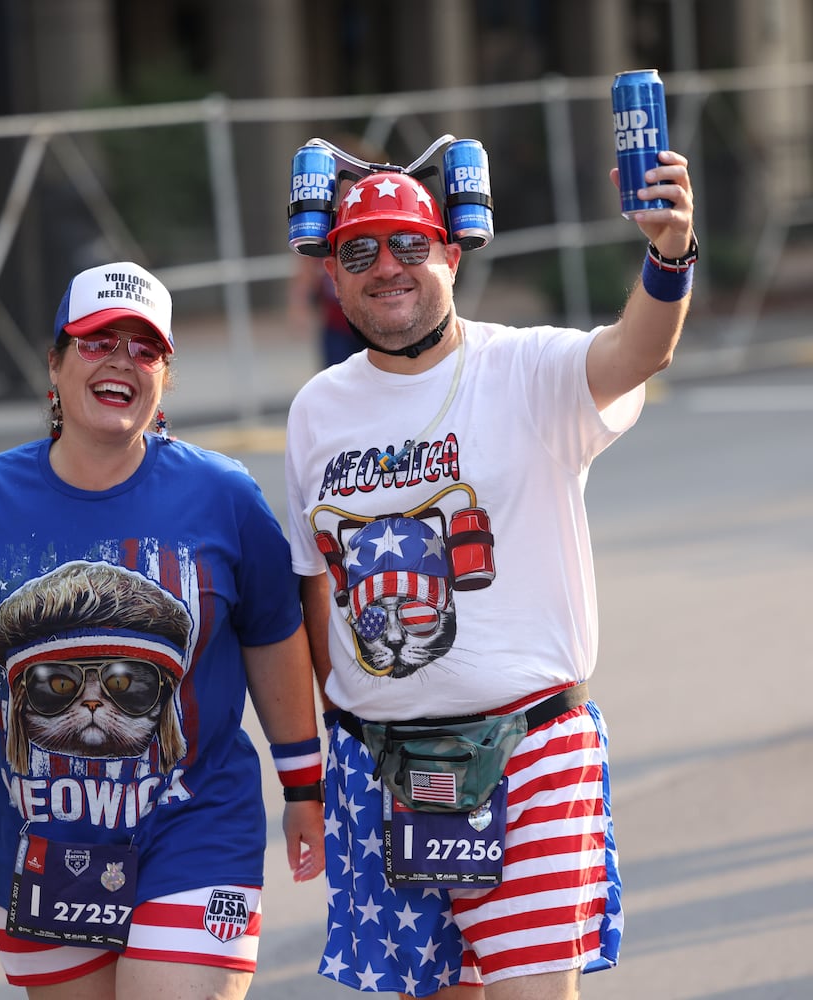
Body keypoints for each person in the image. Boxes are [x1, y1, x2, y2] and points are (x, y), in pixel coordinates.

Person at [283, 143, 696, 998]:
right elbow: (312, 583)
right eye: (359, 251)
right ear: (332, 273)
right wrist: (320, 760)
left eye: (408, 245)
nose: (386, 268)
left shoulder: (527, 367)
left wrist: (668, 255)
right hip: (377, 767)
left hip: (526, 751)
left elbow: (636, 353)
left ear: (451, 252)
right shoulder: (316, 408)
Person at [0, 261, 324, 997]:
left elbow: (272, 633)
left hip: (195, 826)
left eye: (144, 348)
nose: (120, 362)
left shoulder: (223, 495)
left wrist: (303, 786)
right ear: (56, 362)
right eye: (99, 341)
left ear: (165, 375)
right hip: (40, 845)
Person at [287, 136, 388, 370]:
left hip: (375, 317)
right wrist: (298, 304)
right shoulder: (323, 220)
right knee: (337, 384)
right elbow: (307, 263)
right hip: (337, 320)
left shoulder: (374, 211)